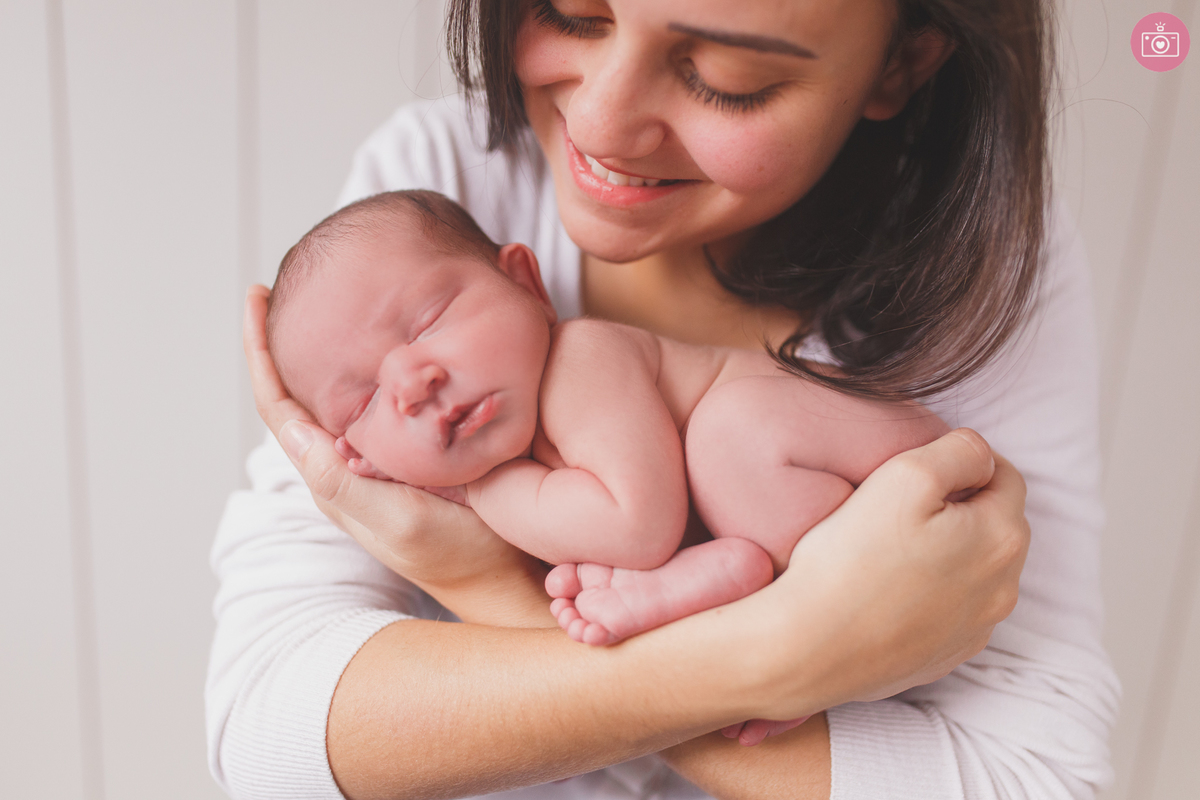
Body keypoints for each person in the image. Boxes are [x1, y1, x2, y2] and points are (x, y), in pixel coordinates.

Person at [207, 2, 1121, 799]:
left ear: (904, 58)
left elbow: (1032, 777)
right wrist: (765, 658)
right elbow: (270, 727)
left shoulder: (583, 361)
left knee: (734, 434)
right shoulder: (428, 197)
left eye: (727, 77)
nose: (600, 123)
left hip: (819, 479)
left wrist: (471, 548)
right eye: (573, 13)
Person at [264, 188, 948, 660]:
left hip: (888, 464)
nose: (413, 384)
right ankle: (762, 611)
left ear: (526, 283)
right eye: (363, 404)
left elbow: (637, 527)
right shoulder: (537, 453)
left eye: (430, 321)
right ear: (363, 460)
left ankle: (756, 594)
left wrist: (479, 493)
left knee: (729, 429)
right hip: (862, 566)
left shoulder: (581, 360)